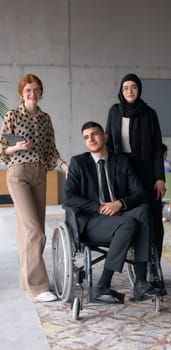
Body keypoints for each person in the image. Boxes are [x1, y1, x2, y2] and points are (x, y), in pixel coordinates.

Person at [63, 121, 155, 302]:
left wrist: (120, 203)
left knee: (143, 211)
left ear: (104, 136)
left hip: (120, 213)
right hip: (92, 221)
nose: (91, 139)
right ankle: (103, 284)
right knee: (128, 224)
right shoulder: (78, 163)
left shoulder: (121, 161)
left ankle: (141, 282)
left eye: (95, 134)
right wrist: (98, 207)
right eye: (86, 137)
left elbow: (141, 193)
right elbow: (69, 197)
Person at [0, 74, 69, 302]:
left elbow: (51, 150)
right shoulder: (13, 115)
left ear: (41, 93)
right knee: (35, 232)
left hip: (40, 174)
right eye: (29, 90)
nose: (33, 94)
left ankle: (25, 281)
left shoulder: (45, 119)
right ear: (22, 93)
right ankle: (39, 287)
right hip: (18, 174)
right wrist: (15, 147)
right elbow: (1, 147)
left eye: (37, 90)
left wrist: (63, 165)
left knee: (29, 231)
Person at [105, 73, 165, 260]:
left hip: (146, 172)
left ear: (139, 89)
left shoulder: (149, 113)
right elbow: (107, 142)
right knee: (128, 214)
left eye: (133, 87)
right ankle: (132, 258)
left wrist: (160, 178)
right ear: (121, 91)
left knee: (153, 218)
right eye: (125, 87)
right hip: (121, 172)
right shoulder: (114, 112)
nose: (129, 91)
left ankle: (153, 264)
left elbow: (157, 148)